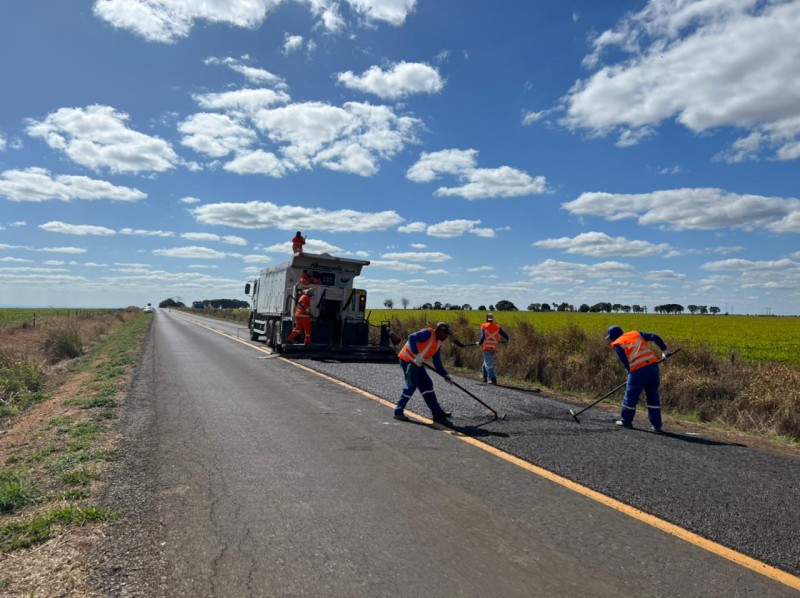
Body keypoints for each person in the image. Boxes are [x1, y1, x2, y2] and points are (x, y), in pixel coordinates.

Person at [605, 325, 670, 432]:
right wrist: (664, 350)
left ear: (612, 337)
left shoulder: (618, 343)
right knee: (653, 396)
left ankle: (626, 420)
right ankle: (656, 425)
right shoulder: (636, 333)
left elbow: (625, 362)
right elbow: (655, 337)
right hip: (653, 368)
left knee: (631, 396)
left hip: (638, 371)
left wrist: (630, 372)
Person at [394, 322, 454, 423]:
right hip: (407, 360)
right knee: (411, 385)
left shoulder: (438, 343)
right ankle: (398, 412)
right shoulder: (428, 333)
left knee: (427, 385)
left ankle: (437, 413)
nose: (447, 336)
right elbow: (411, 337)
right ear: (440, 331)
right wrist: (417, 354)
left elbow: (437, 361)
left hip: (417, 363)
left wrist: (445, 375)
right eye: (446, 334)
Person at [478, 313, 510, 385]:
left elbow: (482, 337)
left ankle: (493, 379)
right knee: (485, 363)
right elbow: (505, 335)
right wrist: (508, 340)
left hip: (486, 347)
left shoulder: (484, 326)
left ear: (486, 319)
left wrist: (480, 343)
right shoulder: (497, 326)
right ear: (492, 319)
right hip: (494, 347)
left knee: (489, 364)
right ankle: (484, 377)